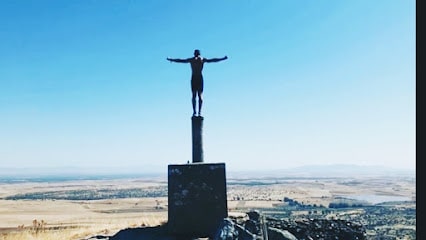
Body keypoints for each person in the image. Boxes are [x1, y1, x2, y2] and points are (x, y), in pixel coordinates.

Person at [167, 49, 228, 116]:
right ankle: (194, 111)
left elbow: (213, 60)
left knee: (200, 95)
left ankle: (199, 111)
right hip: (194, 78)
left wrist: (222, 58)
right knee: (194, 95)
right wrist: (172, 59)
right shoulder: (192, 59)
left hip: (199, 78)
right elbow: (181, 60)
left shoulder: (201, 59)